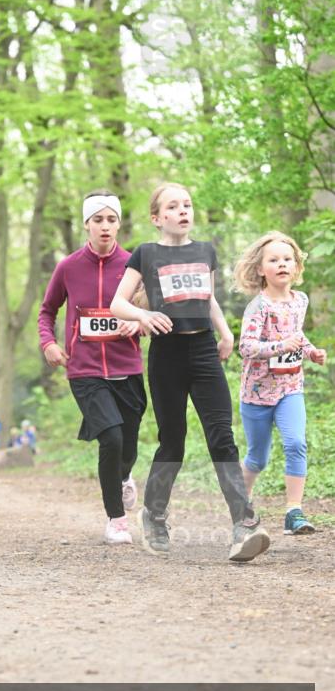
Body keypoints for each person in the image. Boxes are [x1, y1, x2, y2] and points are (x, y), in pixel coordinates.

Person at [111, 183, 270, 562]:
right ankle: (155, 514)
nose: (183, 211)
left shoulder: (205, 251)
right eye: (173, 206)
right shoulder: (145, 254)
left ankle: (243, 525)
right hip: (166, 354)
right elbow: (117, 303)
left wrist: (227, 331)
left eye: (187, 205)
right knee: (173, 441)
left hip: (203, 351)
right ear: (157, 217)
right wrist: (143, 315)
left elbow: (210, 298)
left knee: (221, 437)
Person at [39, 192, 146, 544]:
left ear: (118, 224)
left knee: (128, 444)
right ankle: (116, 519)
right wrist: (49, 343)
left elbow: (150, 310)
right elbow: (47, 311)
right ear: (86, 224)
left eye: (111, 219)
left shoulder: (134, 265)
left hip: (127, 366)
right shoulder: (68, 267)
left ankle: (124, 476)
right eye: (97, 220)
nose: (104, 226)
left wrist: (139, 323)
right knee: (111, 438)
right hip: (84, 370)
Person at [234, 231, 327, 535]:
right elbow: (246, 347)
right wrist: (280, 347)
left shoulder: (300, 300)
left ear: (296, 267)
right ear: (261, 269)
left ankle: (293, 511)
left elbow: (297, 336)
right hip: (256, 394)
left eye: (287, 259)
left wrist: (311, 351)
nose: (282, 264)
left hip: (290, 389)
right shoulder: (257, 307)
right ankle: (240, 504)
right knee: (258, 457)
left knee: (296, 443)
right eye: (273, 260)